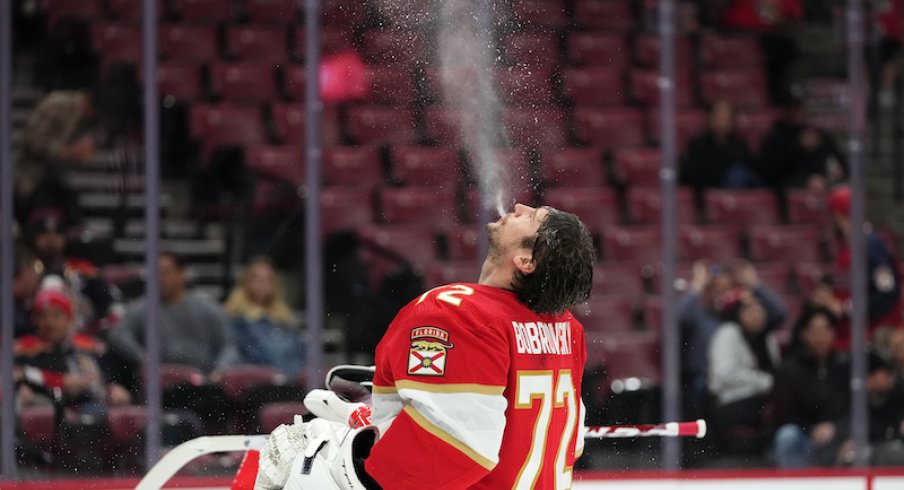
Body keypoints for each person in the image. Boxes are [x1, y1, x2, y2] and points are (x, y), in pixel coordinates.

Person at [257, 203, 596, 489]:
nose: (519, 206)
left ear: (525, 260)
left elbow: (457, 445)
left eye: (532, 216)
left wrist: (358, 461)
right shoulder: (568, 329)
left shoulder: (461, 312)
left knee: (300, 448)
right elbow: (554, 437)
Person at [679, 260, 786, 420]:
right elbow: (678, 317)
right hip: (709, 381)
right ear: (707, 291)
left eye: (728, 289)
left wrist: (754, 284)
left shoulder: (745, 319)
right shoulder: (700, 316)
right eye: (716, 289)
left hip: (748, 382)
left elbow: (779, 314)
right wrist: (697, 286)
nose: (722, 294)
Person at [108, 252, 239, 376]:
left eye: (165, 273)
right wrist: (142, 357)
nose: (160, 278)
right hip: (162, 379)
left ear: (182, 273)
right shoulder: (144, 307)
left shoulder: (206, 306)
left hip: (204, 379)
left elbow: (229, 345)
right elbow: (118, 334)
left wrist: (221, 369)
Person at [14, 286, 132, 417]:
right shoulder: (26, 348)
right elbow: (20, 374)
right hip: (48, 406)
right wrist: (62, 382)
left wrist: (112, 389)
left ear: (69, 319)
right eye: (43, 316)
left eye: (56, 315)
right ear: (36, 320)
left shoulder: (88, 346)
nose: (50, 322)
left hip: (88, 405)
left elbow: (104, 378)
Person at [707, 288, 784, 454]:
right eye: (750, 310)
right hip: (731, 401)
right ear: (739, 314)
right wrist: (764, 382)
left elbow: (777, 372)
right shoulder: (728, 333)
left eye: (760, 310)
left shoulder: (767, 337)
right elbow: (725, 373)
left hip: (762, 397)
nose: (757, 315)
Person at [771, 307, 850, 468]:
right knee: (787, 436)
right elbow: (782, 415)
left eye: (825, 330)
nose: (820, 337)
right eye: (814, 330)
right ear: (804, 334)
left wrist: (836, 428)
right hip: (805, 438)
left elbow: (856, 409)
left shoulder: (845, 367)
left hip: (839, 437)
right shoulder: (790, 370)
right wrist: (811, 429)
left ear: (833, 333)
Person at [827, 185, 902, 349]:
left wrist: (847, 308)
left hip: (873, 338)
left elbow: (887, 293)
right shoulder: (851, 245)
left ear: (838, 215)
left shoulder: (871, 245)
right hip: (855, 334)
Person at [225, 256, 305, 376]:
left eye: (267, 279)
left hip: (290, 381)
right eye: (257, 278)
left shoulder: (285, 321)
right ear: (246, 282)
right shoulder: (236, 320)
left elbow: (300, 355)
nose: (262, 283)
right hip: (258, 383)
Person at [680, 100, 761, 212]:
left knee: (739, 173)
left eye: (726, 118)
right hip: (710, 191)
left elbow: (753, 167)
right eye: (719, 117)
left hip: (739, 189)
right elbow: (693, 175)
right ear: (710, 118)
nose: (722, 122)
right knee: (736, 174)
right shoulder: (700, 143)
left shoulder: (740, 144)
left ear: (733, 121)